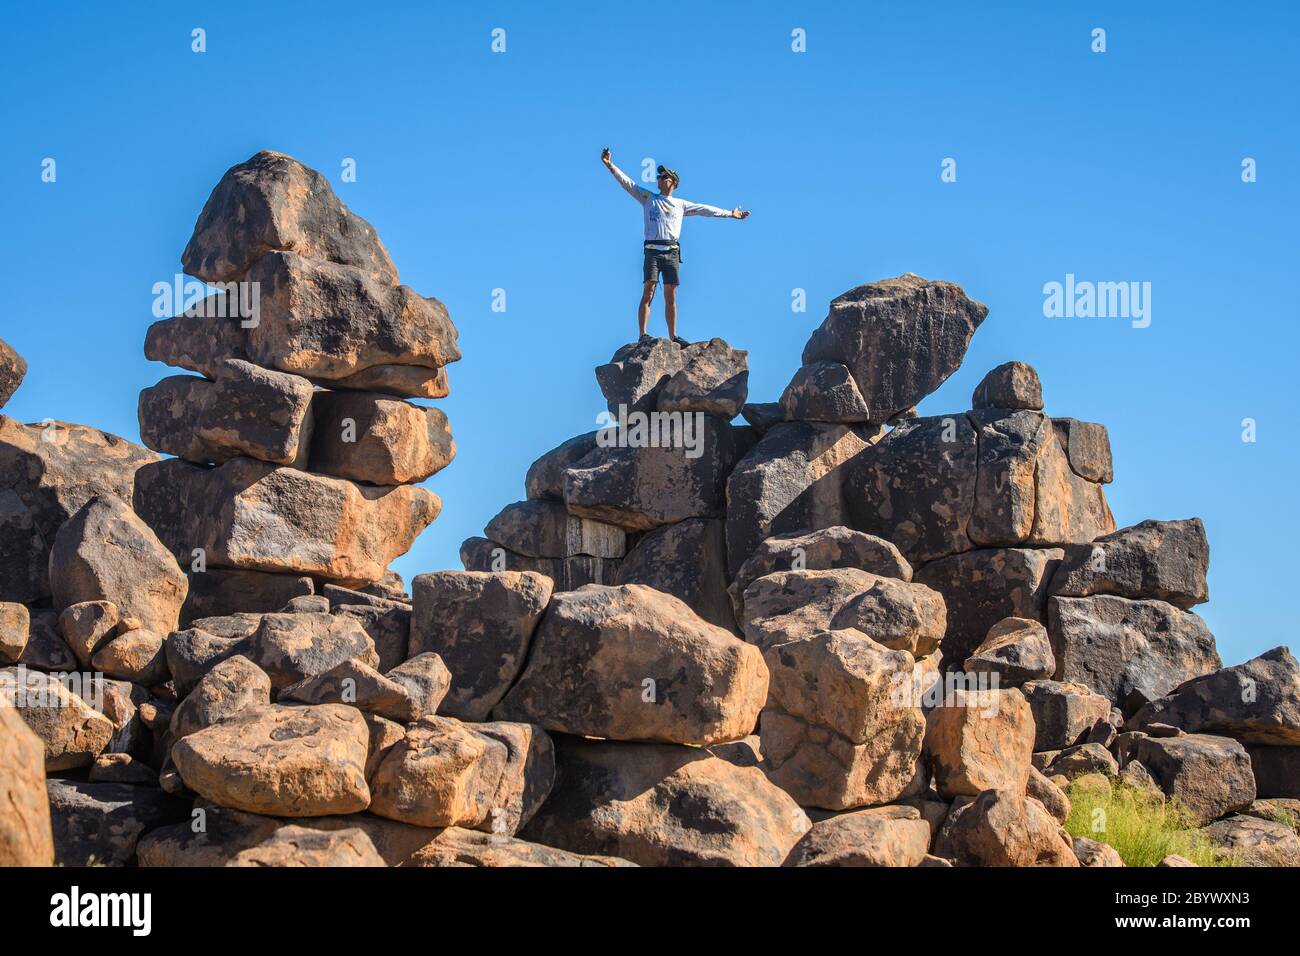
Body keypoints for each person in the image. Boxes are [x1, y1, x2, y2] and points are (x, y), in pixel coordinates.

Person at [601, 147, 749, 343]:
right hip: (652, 251)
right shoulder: (649, 198)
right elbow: (628, 184)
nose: (660, 179)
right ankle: (642, 335)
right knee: (649, 290)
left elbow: (704, 209)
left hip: (671, 251)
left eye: (664, 177)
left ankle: (673, 337)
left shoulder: (680, 204)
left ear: (673, 183)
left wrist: (730, 214)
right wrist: (610, 165)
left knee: (671, 294)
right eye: (659, 177)